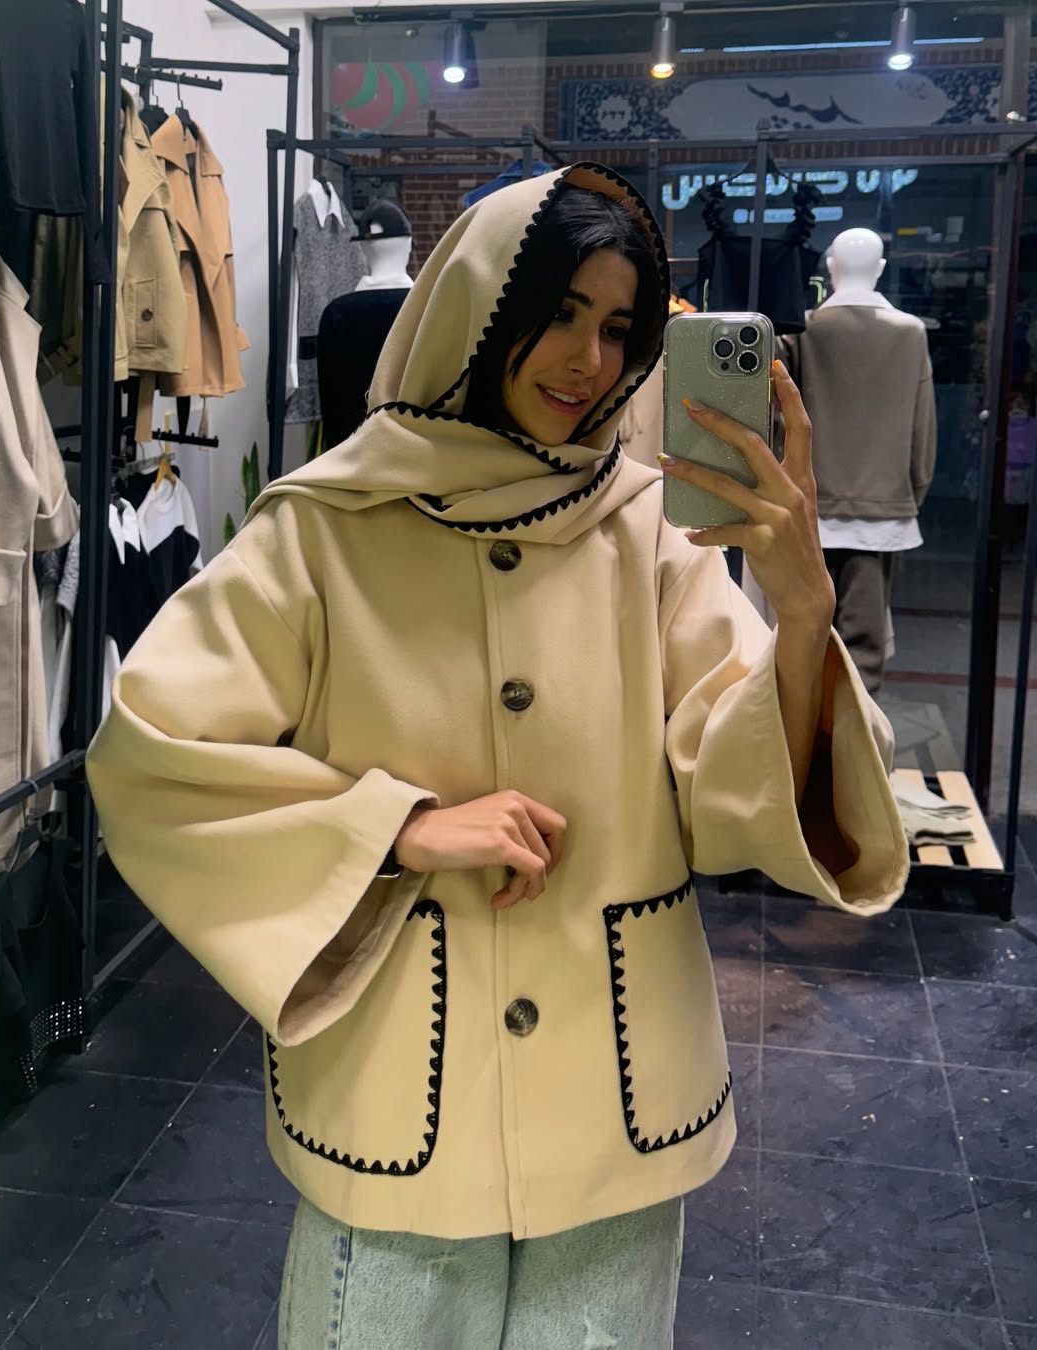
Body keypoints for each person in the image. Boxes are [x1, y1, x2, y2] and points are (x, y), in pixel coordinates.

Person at [87, 165, 908, 1349]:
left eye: (617, 327)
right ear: (477, 307)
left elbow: (733, 779)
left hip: (615, 1079)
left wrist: (803, 612)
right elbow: (154, 754)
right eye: (561, 313)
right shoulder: (322, 530)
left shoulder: (651, 527)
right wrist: (397, 826)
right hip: (404, 1084)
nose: (589, 361)